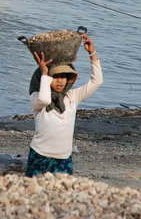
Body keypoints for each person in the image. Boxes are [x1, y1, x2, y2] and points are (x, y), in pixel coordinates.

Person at [25, 34, 103, 177]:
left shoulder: (71, 97)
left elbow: (97, 81)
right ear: (47, 78)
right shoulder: (37, 97)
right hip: (40, 154)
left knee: (62, 195)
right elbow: (45, 100)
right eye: (55, 77)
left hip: (64, 157)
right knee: (32, 194)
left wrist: (92, 53)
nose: (60, 81)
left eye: (64, 77)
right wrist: (44, 73)